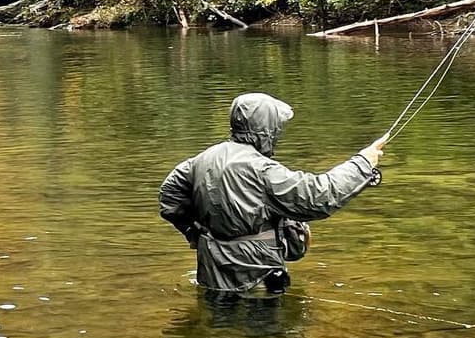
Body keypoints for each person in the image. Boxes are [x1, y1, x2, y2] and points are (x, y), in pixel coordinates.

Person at [159, 92, 387, 296]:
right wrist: (363, 164)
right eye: (276, 127)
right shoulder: (262, 170)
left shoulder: (202, 159)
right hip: (257, 275)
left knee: (217, 325)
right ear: (265, 129)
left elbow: (169, 198)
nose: (278, 133)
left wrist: (196, 233)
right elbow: (319, 196)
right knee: (267, 330)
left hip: (211, 270)